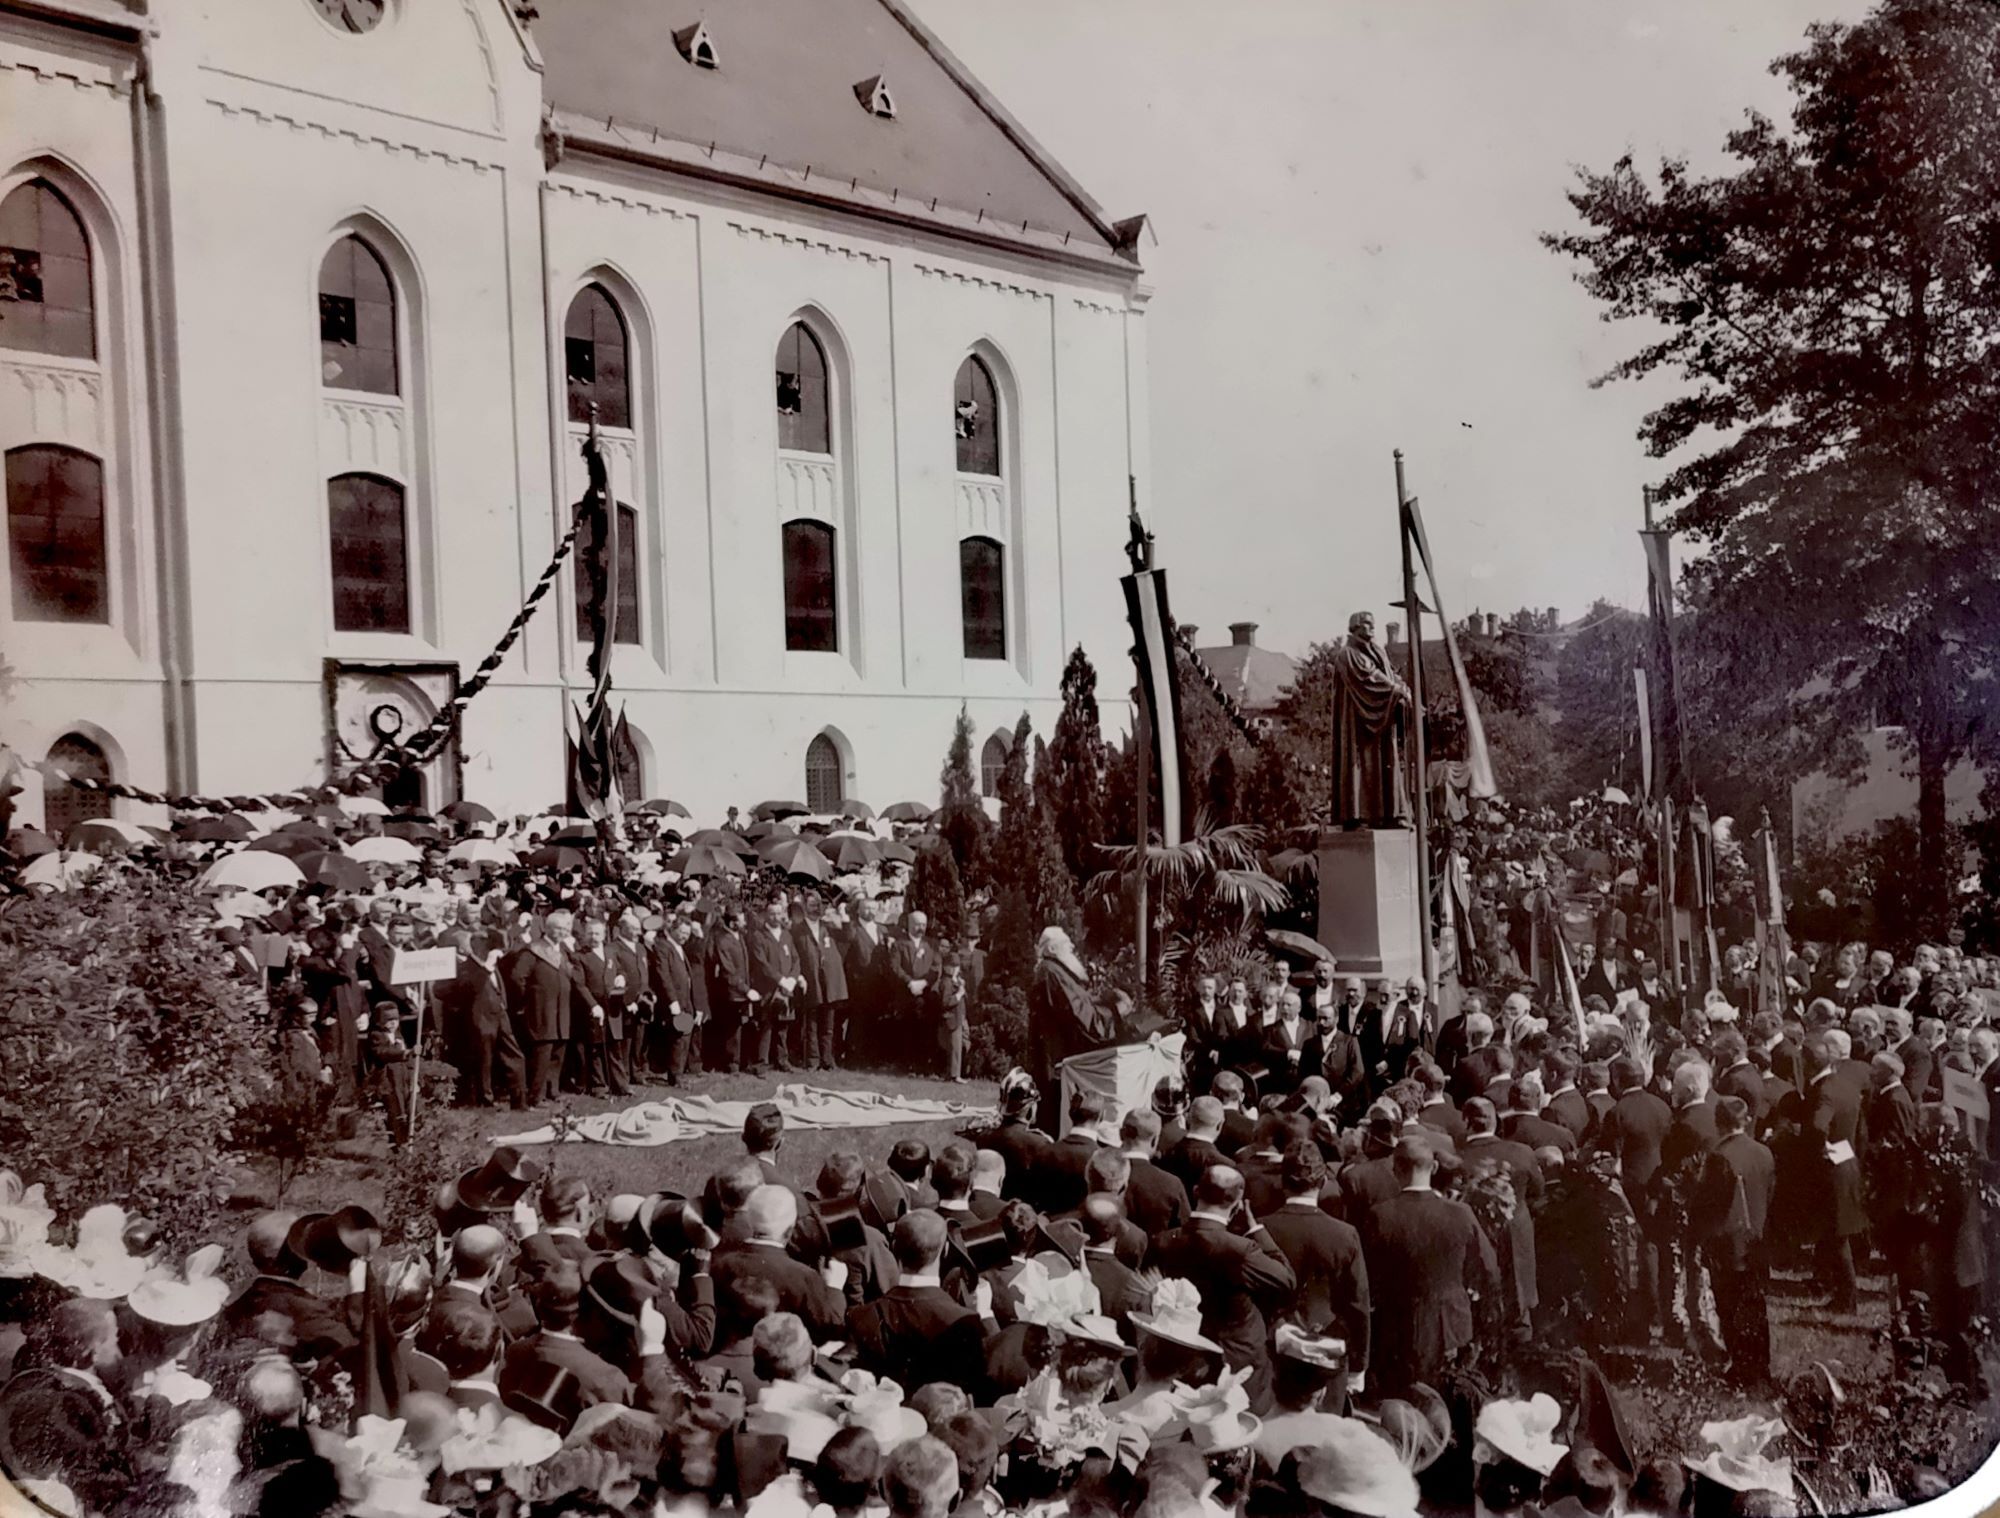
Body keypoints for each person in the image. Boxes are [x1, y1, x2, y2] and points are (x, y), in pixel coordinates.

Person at [1146, 1165, 1298, 1403]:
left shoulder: (1163, 1241)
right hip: (1236, 1365)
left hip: (1179, 1358)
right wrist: (1257, 1230)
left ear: (1196, 1191)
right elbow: (1286, 1280)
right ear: (1238, 1204)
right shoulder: (1241, 1250)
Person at [1359, 1137, 1492, 1397]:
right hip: (1450, 1325)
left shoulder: (1380, 1215)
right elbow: (1488, 1268)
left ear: (1395, 1169)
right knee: (1449, 1400)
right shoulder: (1461, 1213)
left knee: (1401, 1405)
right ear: (1433, 1168)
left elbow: (1368, 1274)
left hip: (1397, 1326)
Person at [1260, 1141, 1370, 1383]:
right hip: (1326, 1349)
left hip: (1272, 1349)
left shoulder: (1262, 1228)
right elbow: (1357, 1302)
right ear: (1322, 1183)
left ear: (1281, 1182)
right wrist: (1359, 1363)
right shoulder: (1344, 1233)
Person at [749, 896, 804, 1074]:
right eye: (772, 913)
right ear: (766, 915)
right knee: (766, 1027)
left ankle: (782, 1061)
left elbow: (796, 959)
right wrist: (780, 979)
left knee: (783, 1027)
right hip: (768, 989)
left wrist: (792, 979)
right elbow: (761, 963)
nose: (775, 917)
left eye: (779, 913)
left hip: (786, 989)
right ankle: (761, 1064)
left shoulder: (787, 935)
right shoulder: (758, 936)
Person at [794, 891, 848, 1071]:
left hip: (829, 982)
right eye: (811, 905)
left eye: (817, 905)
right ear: (804, 907)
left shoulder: (828, 927)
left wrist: (843, 917)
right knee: (812, 1023)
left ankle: (827, 1059)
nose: (815, 909)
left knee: (829, 1024)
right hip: (811, 980)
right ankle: (813, 1060)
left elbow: (847, 936)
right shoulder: (797, 930)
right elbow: (795, 957)